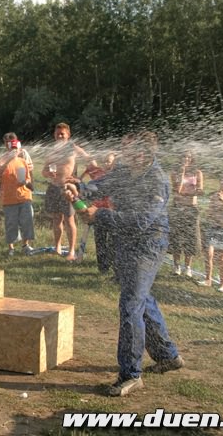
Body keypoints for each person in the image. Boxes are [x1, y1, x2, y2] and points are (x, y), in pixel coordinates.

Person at [70, 131, 184, 396]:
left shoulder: (157, 180)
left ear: (142, 154)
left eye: (129, 150)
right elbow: (101, 185)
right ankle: (167, 355)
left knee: (131, 303)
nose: (123, 154)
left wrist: (100, 215)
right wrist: (79, 188)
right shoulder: (124, 169)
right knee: (141, 298)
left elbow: (141, 221)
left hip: (148, 244)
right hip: (125, 241)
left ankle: (131, 374)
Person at [41, 122, 88, 260]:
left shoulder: (73, 149)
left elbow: (90, 161)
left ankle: (71, 251)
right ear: (54, 135)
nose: (60, 136)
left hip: (68, 188)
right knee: (56, 219)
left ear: (68, 135)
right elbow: (43, 171)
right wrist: (47, 173)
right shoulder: (52, 150)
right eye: (57, 134)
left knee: (69, 219)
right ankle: (57, 247)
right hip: (53, 187)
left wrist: (79, 179)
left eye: (62, 134)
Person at [0, 137, 35, 256]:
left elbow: (28, 178)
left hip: (24, 196)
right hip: (9, 199)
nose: (14, 151)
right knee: (11, 224)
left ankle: (25, 246)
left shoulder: (23, 161)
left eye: (15, 149)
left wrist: (26, 182)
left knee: (27, 221)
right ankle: (11, 248)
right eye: (12, 148)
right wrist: (8, 160)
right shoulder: (3, 161)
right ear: (8, 149)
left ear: (19, 150)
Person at [169, 150, 204, 277]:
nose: (186, 159)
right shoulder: (175, 173)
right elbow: (176, 190)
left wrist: (186, 193)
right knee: (176, 237)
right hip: (178, 207)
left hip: (191, 208)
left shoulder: (197, 173)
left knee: (190, 238)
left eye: (189, 157)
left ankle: (188, 266)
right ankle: (176, 265)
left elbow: (200, 191)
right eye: (184, 156)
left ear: (192, 158)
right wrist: (182, 172)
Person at [80, 153, 116, 273]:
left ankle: (112, 263)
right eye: (104, 161)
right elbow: (88, 160)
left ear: (114, 162)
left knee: (112, 240)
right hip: (98, 212)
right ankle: (102, 267)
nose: (106, 163)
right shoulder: (98, 173)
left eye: (108, 161)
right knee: (100, 239)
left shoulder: (118, 177)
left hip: (112, 213)